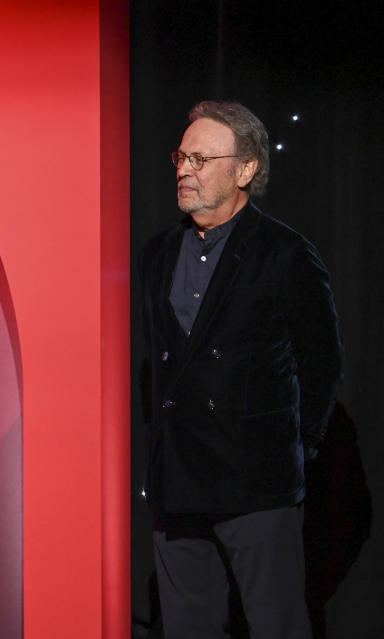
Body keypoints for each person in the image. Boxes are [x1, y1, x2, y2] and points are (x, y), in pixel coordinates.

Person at [138, 101, 343, 638]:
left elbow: (322, 358)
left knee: (277, 625)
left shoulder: (285, 252)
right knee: (186, 627)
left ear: (246, 169)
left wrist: (297, 445)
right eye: (181, 156)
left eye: (202, 158)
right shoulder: (156, 252)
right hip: (177, 478)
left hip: (257, 481)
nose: (184, 169)